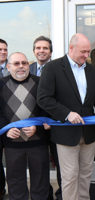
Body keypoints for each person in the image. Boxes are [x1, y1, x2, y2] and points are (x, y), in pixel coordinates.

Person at [37, 33, 95, 200]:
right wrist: (66, 114)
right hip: (66, 134)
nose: (87, 55)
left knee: (85, 174)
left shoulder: (92, 70)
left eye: (89, 51)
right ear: (71, 49)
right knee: (70, 176)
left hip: (89, 133)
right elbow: (43, 98)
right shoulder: (53, 68)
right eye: (83, 52)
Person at [0, 52, 50, 200]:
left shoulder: (40, 82)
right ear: (8, 67)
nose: (21, 66)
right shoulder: (0, 85)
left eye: (25, 63)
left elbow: (47, 109)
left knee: (41, 184)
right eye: (16, 64)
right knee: (15, 184)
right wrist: (6, 130)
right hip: (12, 143)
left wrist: (38, 127)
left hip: (38, 141)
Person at [29, 35, 62, 200]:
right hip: (36, 125)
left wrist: (51, 119)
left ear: (51, 51)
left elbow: (62, 98)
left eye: (45, 48)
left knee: (61, 163)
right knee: (40, 165)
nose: (41, 51)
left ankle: (62, 194)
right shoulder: (28, 69)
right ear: (34, 51)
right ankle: (45, 194)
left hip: (55, 123)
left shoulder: (59, 69)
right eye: (38, 48)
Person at [0, 38, 9, 200]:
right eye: (0, 49)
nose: (3, 52)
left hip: (10, 123)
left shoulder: (13, 68)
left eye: (5, 49)